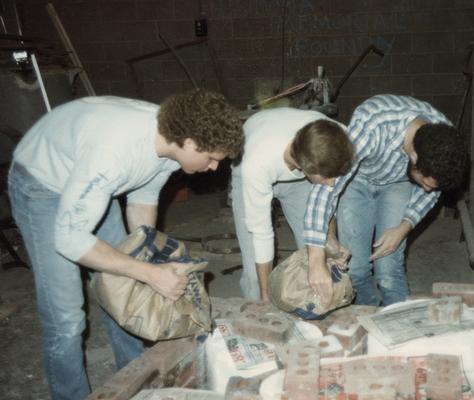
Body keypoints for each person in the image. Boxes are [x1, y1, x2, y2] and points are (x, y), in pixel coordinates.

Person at [7, 89, 243, 400]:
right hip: (43, 183)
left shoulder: (169, 144)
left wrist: (150, 262)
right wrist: (148, 273)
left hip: (90, 178)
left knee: (125, 288)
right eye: (212, 158)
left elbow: (141, 200)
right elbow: (69, 239)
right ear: (189, 143)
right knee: (66, 318)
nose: (214, 167)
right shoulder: (114, 153)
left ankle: (135, 379)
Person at [303, 94, 468, 306]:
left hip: (397, 183)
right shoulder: (371, 125)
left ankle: (398, 326)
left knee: (388, 267)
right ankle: (367, 317)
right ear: (415, 157)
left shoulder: (443, 139)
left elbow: (432, 191)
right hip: (357, 180)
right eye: (426, 184)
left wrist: (404, 227)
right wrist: (316, 261)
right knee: (356, 268)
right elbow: (327, 188)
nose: (427, 191)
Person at [231, 107, 353, 300]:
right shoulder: (255, 164)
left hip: (299, 178)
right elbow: (261, 234)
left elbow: (328, 199)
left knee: (313, 255)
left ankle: (312, 310)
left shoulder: (338, 135)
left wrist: (329, 240)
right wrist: (265, 297)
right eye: (327, 177)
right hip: (253, 168)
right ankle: (257, 311)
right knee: (255, 274)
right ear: (304, 164)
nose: (332, 183)